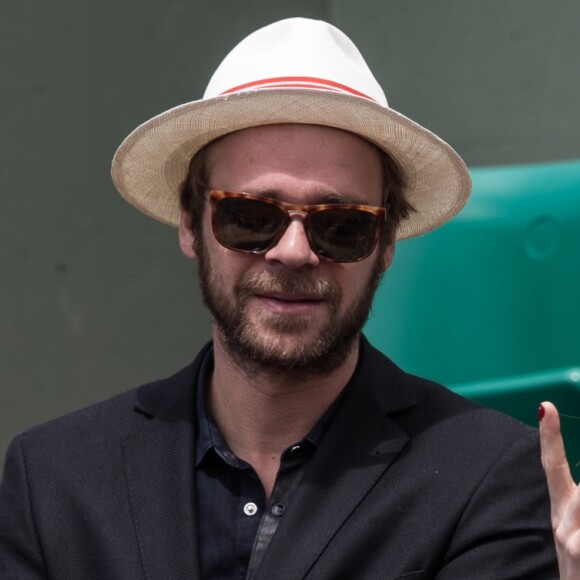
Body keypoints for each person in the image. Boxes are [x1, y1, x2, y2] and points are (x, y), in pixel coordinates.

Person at [0, 16, 576, 579]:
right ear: (189, 224)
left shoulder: (487, 475)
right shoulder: (54, 477)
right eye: (251, 216)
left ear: (386, 244)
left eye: (341, 225)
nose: (294, 252)